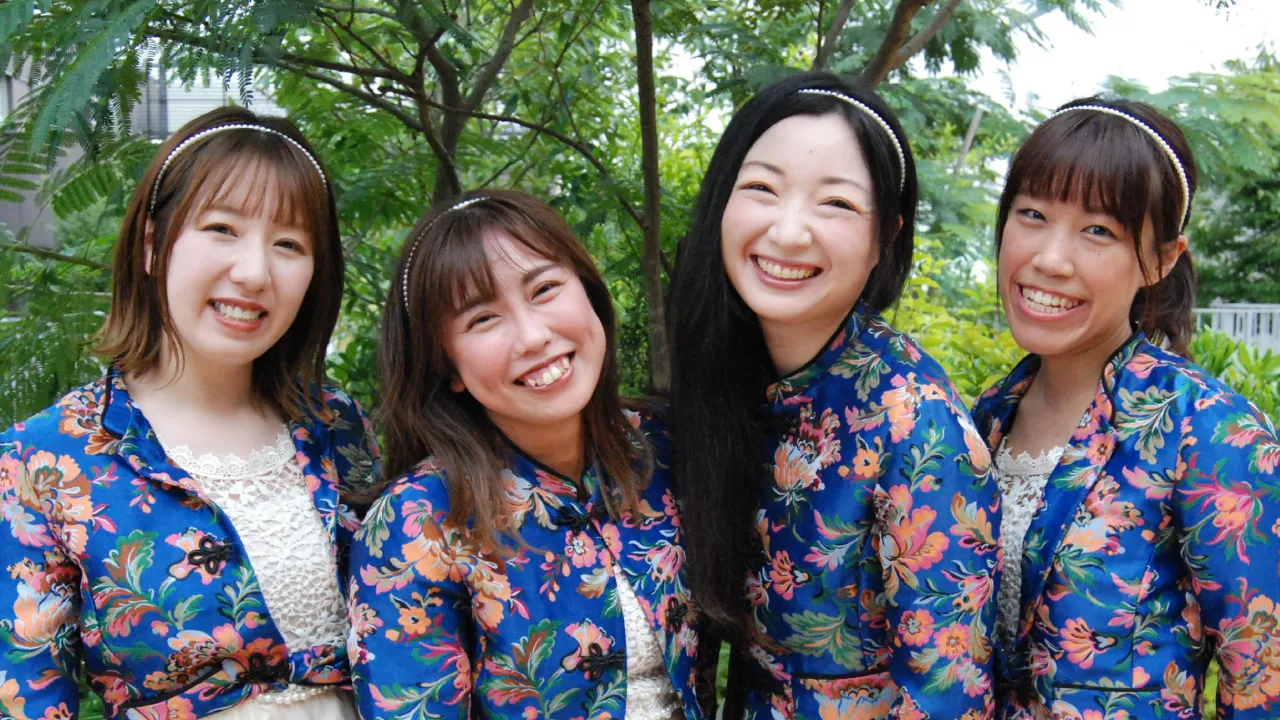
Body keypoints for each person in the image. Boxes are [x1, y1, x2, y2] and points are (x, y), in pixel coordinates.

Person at [0, 106, 381, 719]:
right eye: (223, 229)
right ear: (153, 245)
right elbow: (24, 697)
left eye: (288, 244)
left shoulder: (336, 424)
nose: (254, 272)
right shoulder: (41, 459)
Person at [667, 71, 1000, 720]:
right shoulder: (727, 380)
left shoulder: (918, 428)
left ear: (886, 238)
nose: (789, 231)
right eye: (762, 189)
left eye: (837, 203)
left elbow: (947, 698)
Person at [971, 97, 1280, 719]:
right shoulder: (985, 418)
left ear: (1162, 259)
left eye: (1098, 231)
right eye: (1032, 214)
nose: (1049, 259)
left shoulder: (1210, 431)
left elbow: (1264, 679)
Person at [347, 190, 702, 720]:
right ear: (446, 366)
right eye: (482, 320)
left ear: (589, 291)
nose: (534, 336)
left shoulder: (665, 447)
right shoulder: (418, 520)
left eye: (544, 289)